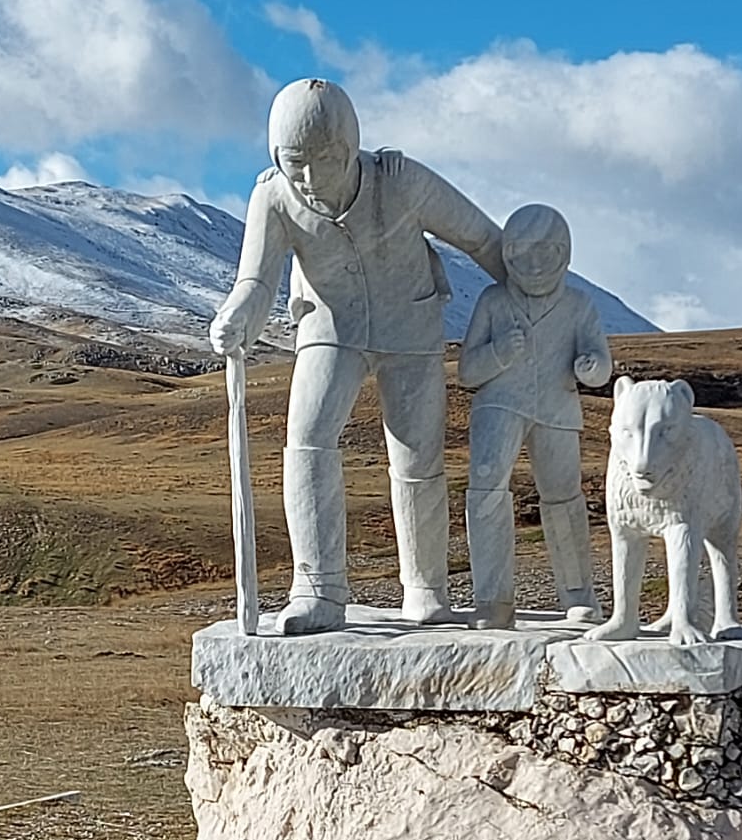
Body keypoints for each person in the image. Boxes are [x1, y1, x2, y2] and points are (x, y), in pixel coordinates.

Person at [209, 78, 506, 635]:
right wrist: (237, 314)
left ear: (351, 145)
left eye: (326, 159)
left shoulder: (401, 180)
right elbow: (257, 278)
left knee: (417, 459)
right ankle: (318, 590)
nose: (310, 176)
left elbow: (481, 238)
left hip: (410, 326)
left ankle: (426, 588)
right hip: (329, 325)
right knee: (307, 439)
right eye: (294, 161)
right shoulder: (273, 196)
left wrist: (536, 298)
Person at [459, 204, 612, 629]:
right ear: (508, 255)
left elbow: (601, 361)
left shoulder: (578, 304)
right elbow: (468, 372)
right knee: (487, 487)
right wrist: (498, 352)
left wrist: (591, 368)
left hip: (557, 408)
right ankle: (492, 599)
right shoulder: (494, 300)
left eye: (547, 252)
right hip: (499, 403)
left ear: (565, 254)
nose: (535, 265)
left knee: (564, 497)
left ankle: (578, 595)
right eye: (522, 254)